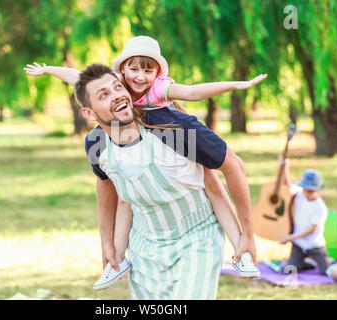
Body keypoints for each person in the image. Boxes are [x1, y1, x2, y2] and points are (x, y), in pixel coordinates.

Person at [24, 36, 265, 288]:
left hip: (166, 130)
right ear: (123, 70)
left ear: (157, 72)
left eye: (148, 70)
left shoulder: (167, 108)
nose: (139, 77)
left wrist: (238, 85)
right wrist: (48, 70)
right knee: (128, 188)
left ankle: (241, 249)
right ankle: (117, 259)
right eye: (134, 70)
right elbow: (80, 79)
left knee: (210, 181)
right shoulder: (114, 92)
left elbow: (194, 92)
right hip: (146, 238)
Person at [73, 63, 256, 299]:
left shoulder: (174, 128)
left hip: (196, 237)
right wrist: (107, 243)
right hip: (144, 246)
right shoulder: (96, 144)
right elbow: (107, 185)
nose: (117, 95)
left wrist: (247, 235)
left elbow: (234, 167)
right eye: (104, 94)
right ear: (89, 113)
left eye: (118, 87)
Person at [278, 160, 330, 275]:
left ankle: (330, 262)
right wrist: (285, 167)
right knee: (287, 270)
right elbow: (286, 184)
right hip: (299, 244)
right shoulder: (300, 194)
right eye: (306, 190)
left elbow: (312, 230)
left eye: (311, 191)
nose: (308, 193)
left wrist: (291, 237)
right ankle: (303, 263)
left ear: (318, 191)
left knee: (327, 271)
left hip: (314, 245)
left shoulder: (320, 208)